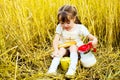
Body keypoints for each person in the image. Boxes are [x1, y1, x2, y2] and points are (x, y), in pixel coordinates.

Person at [47, 5, 98, 78]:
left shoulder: (80, 28)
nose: (65, 25)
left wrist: (94, 41)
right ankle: (51, 70)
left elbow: (92, 38)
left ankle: (71, 70)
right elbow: (55, 40)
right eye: (62, 23)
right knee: (60, 50)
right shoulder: (59, 27)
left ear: (74, 19)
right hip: (64, 48)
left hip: (76, 49)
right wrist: (55, 50)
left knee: (73, 47)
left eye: (68, 23)